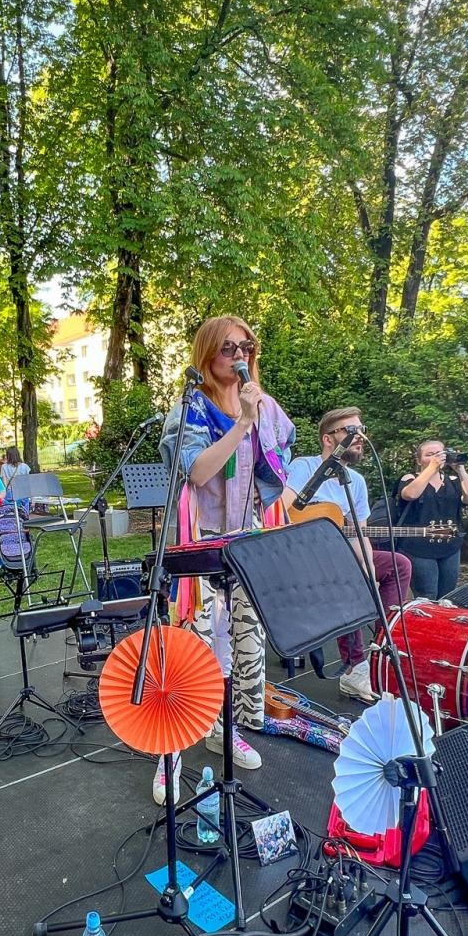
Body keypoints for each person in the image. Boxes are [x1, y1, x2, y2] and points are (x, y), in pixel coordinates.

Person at [157, 315, 294, 804]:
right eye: (227, 348)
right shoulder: (192, 408)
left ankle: (222, 727)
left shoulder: (266, 405)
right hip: (200, 548)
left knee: (235, 648)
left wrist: (260, 422)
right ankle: (169, 753)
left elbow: (279, 466)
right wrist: (242, 425)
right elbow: (196, 471)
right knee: (193, 647)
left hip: (246, 545)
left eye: (246, 346)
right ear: (207, 355)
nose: (239, 355)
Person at [283, 409, 411, 702]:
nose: (360, 437)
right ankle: (355, 667)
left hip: (339, 560)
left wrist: (367, 570)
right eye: (350, 430)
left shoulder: (356, 481)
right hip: (300, 562)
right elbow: (281, 511)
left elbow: (359, 533)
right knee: (347, 574)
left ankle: (384, 647)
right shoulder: (304, 467)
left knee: (397, 564)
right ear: (329, 439)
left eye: (361, 429)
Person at [397, 439, 468, 599]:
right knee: (427, 594)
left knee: (447, 596)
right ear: (419, 460)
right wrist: (431, 468)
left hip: (450, 547)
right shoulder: (410, 478)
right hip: (417, 548)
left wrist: (460, 470)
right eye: (430, 455)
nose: (436, 458)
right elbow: (410, 494)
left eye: (440, 454)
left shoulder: (453, 481)